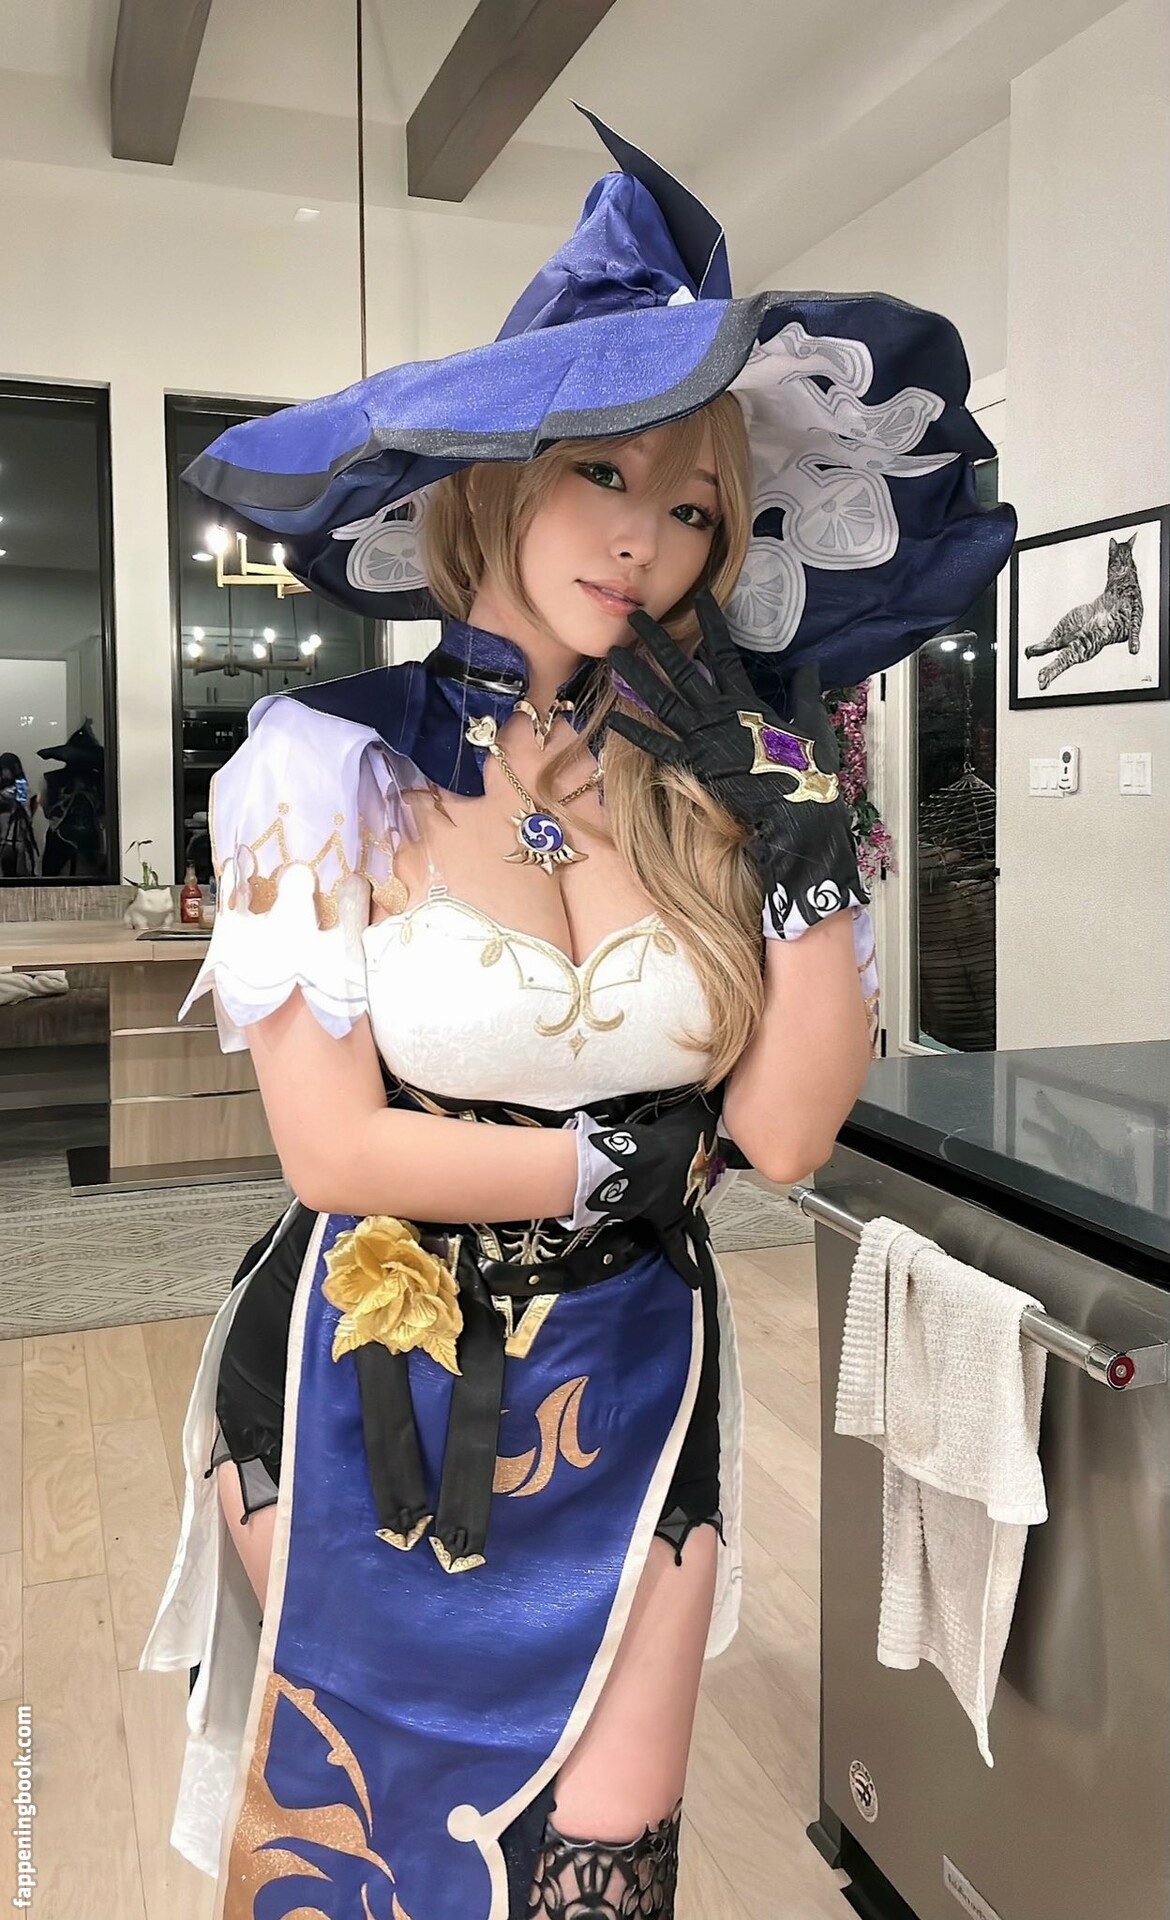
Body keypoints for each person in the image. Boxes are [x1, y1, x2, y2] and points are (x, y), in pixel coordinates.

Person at [140, 115, 1014, 1920]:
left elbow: (782, 1137)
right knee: (374, 1862)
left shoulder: (716, 774)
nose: (644, 539)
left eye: (691, 507)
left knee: (604, 1875)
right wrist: (621, 1170)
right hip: (367, 1378)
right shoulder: (323, 763)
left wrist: (807, 843)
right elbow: (331, 1147)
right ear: (494, 481)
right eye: (603, 471)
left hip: (639, 1374)